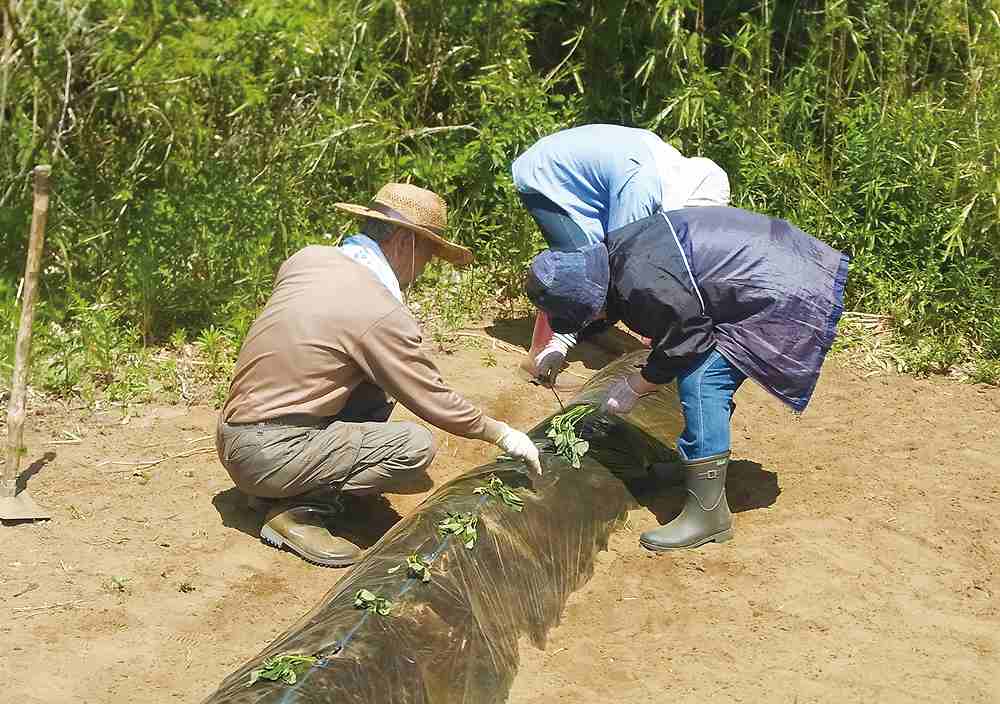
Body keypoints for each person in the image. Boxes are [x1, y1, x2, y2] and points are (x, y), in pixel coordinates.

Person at [216, 183, 541, 568]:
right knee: (413, 446)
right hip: (267, 452)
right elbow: (430, 396)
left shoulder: (308, 259)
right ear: (405, 242)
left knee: (374, 389)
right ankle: (298, 508)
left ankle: (278, 481)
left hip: (233, 430)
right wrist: (500, 433)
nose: (423, 269)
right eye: (428, 256)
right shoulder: (377, 309)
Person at [525, 206, 849, 551]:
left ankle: (709, 515)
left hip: (779, 289)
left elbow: (686, 341)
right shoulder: (613, 257)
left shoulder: (642, 281)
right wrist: (559, 344)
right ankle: (691, 467)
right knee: (696, 373)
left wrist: (636, 386)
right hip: (771, 269)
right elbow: (610, 306)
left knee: (704, 379)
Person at [511, 124, 731, 385]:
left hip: (593, 181)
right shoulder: (642, 190)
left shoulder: (672, 176)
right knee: (575, 269)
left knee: (613, 278)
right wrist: (563, 340)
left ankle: (587, 329)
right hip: (547, 176)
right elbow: (616, 265)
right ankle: (538, 359)